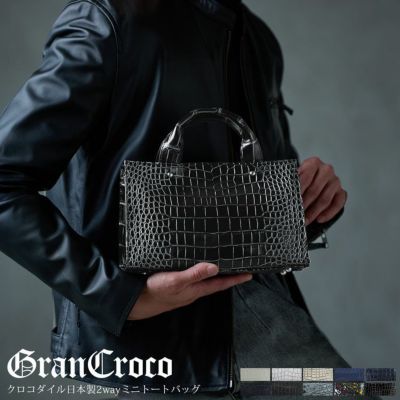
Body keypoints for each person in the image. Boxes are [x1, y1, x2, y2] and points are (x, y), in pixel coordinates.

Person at [1, 1, 375, 399]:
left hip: (264, 322)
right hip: (162, 352)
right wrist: (120, 295)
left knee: (364, 387)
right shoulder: (108, 20)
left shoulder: (257, 38)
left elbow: (255, 204)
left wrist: (314, 201)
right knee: (360, 389)